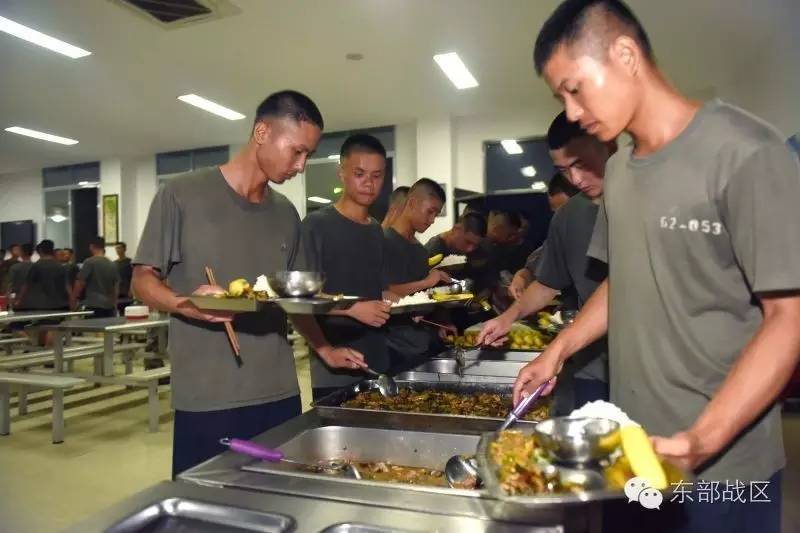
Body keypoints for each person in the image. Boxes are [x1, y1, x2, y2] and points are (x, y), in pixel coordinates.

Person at [516, 1, 800, 531]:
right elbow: (626, 280)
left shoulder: (746, 151)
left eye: (575, 89)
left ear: (625, 55)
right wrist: (558, 350)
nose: (572, 112)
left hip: (724, 464)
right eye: (561, 97)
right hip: (632, 453)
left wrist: (700, 441)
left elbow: (789, 316)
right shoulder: (619, 171)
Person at [133, 90, 357, 478]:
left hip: (279, 391)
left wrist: (325, 348)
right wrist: (188, 304)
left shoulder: (286, 213)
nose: (302, 165)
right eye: (297, 151)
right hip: (208, 395)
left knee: (277, 501)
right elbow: (141, 280)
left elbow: (293, 300)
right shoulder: (181, 195)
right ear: (261, 132)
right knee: (206, 508)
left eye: (308, 155)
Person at [479, 111, 614, 409]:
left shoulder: (640, 202)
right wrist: (508, 317)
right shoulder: (568, 216)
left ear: (606, 144)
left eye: (581, 165)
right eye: (564, 170)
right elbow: (548, 284)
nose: (576, 179)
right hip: (590, 363)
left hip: (643, 367)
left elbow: (621, 288)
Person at [301, 134, 392, 400]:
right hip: (335, 366)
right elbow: (300, 301)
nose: (369, 183)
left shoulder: (376, 230)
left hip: (377, 362)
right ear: (342, 174)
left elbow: (375, 289)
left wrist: (412, 307)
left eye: (377, 175)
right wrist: (352, 310)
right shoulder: (316, 226)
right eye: (359, 173)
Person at [383, 179, 453, 371]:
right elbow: (384, 291)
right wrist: (427, 281)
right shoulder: (383, 242)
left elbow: (420, 300)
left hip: (421, 345)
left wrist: (440, 323)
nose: (431, 220)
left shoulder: (420, 251)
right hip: (392, 347)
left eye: (436, 215)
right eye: (430, 212)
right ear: (412, 203)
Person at [507, 172, 580, 301]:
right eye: (555, 213)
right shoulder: (559, 238)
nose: (559, 220)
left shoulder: (603, 235)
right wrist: (521, 278)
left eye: (564, 212)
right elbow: (532, 268)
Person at [72, 237, 119, 318]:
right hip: (108, 305)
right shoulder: (112, 264)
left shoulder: (89, 262)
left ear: (91, 246)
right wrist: (114, 304)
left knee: (92, 329)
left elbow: (80, 283)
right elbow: (116, 287)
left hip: (93, 304)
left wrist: (74, 299)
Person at [6, 243, 33, 308]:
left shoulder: (15, 267)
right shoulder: (37, 267)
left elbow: (9, 285)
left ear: (21, 252)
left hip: (18, 301)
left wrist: (9, 302)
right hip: (35, 300)